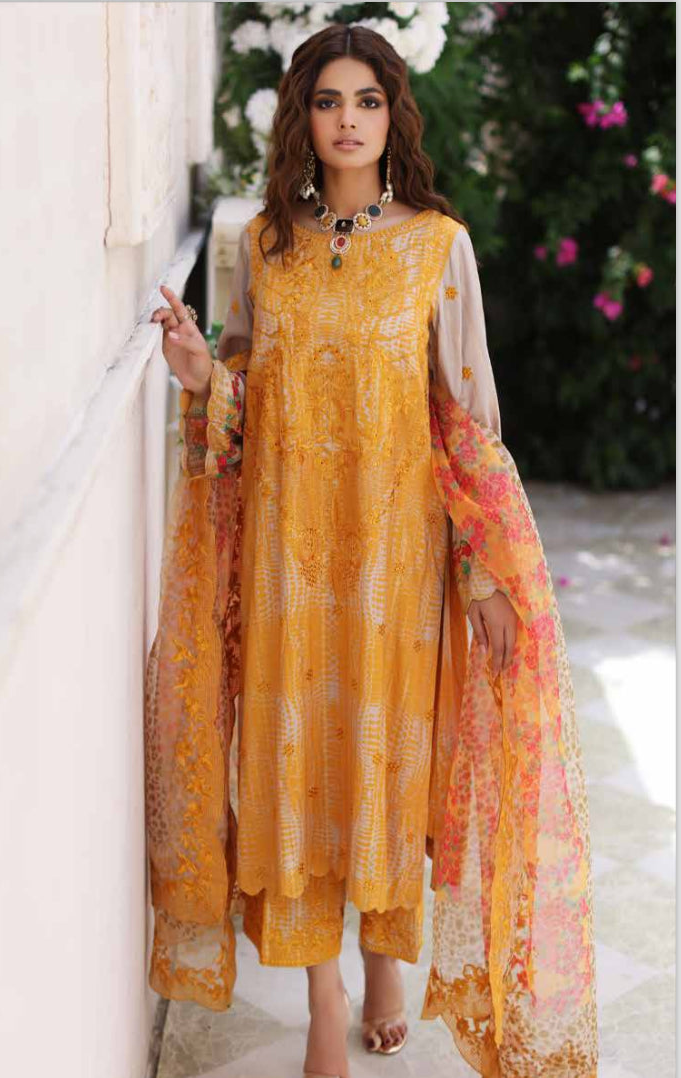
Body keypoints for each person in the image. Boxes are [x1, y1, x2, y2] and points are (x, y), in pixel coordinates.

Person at [144, 23, 598, 1078]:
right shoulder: (267, 247)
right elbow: (248, 402)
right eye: (327, 101)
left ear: (394, 116)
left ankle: (386, 953)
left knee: (387, 766)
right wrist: (204, 372)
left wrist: (482, 572)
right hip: (288, 565)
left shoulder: (437, 246)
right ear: (302, 119)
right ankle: (326, 993)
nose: (347, 120)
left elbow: (467, 422)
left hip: (400, 563)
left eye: (367, 101)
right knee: (296, 766)